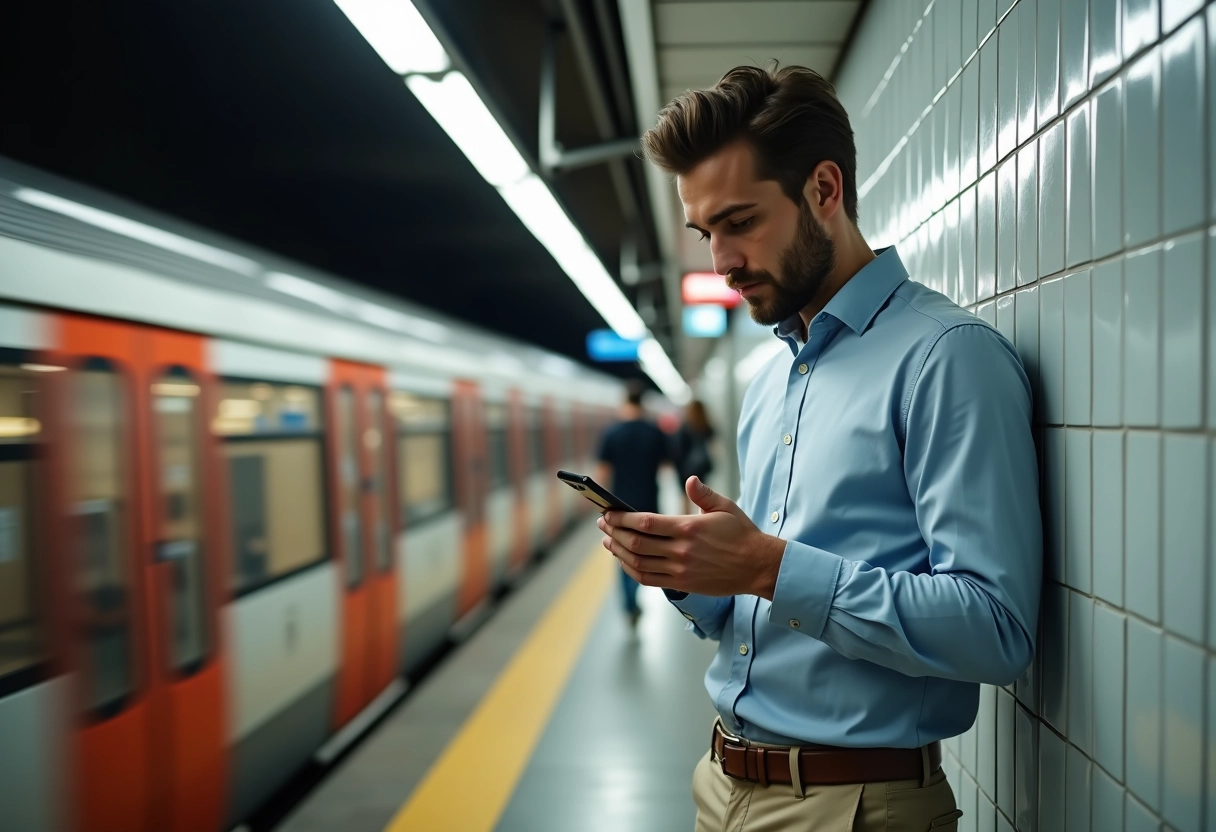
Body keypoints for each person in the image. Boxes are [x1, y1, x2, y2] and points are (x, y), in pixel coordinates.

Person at [598, 65, 1041, 831]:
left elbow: (995, 629)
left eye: (740, 222)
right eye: (707, 234)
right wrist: (691, 573)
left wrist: (767, 565)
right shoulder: (773, 382)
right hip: (722, 785)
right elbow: (764, 610)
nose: (721, 262)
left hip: (855, 806)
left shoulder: (946, 358)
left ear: (824, 191)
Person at [595, 379, 671, 629]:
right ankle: (635, 598)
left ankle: (629, 606)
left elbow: (603, 472)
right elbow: (664, 465)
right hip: (649, 502)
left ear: (625, 402)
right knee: (645, 552)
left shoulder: (612, 433)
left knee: (621, 553)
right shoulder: (654, 431)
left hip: (619, 505)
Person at [671, 400, 715, 514]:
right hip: (701, 467)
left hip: (685, 468)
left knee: (685, 496)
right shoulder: (706, 426)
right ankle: (704, 518)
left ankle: (686, 522)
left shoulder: (685, 428)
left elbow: (678, 450)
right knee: (703, 496)